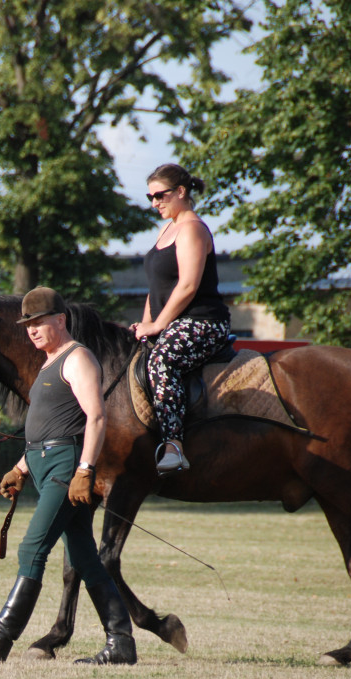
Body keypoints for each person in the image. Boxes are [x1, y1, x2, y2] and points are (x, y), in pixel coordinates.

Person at [0, 286, 136, 666]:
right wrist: (19, 468)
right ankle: (121, 643)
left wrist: (85, 469)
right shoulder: (49, 363)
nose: (31, 330)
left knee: (32, 549)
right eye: (27, 324)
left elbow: (96, 418)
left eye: (39, 322)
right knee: (84, 557)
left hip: (66, 468)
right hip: (44, 463)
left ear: (60, 320)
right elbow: (46, 428)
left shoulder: (77, 358)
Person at [131, 163, 231, 475]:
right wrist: (144, 326)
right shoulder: (166, 229)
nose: (154, 203)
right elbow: (156, 288)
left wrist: (158, 326)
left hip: (203, 322)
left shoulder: (192, 229)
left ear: (181, 192)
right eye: (149, 197)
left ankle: (174, 446)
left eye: (160, 195)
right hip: (171, 322)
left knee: (162, 361)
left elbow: (187, 285)